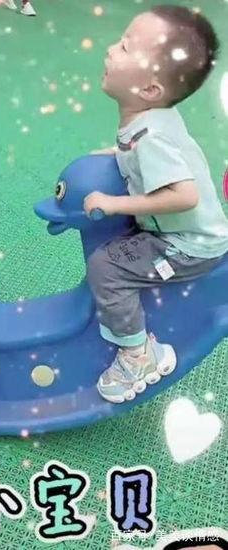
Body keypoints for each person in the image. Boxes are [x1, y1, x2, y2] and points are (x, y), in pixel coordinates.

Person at [84, 6, 228, 403]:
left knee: (107, 267)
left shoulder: (151, 138)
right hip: (195, 233)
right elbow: (139, 152)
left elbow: (184, 195)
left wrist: (115, 203)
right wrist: (117, 154)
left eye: (125, 47)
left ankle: (139, 355)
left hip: (187, 246)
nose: (110, 49)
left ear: (150, 90)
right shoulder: (150, 120)